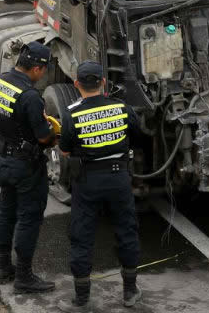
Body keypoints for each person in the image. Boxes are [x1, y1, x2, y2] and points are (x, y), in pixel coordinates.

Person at [57, 62, 140, 311]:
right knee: (126, 231)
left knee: (82, 236)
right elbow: (135, 135)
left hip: (88, 182)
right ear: (103, 82)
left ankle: (81, 298)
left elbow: (64, 150)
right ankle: (129, 292)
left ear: (77, 85)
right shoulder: (122, 108)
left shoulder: (72, 114)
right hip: (119, 179)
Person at [0, 41, 59, 294]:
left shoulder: (0, 82)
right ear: (38, 69)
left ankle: (4, 267)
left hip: (4, 161)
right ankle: (25, 276)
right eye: (45, 69)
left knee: (6, 213)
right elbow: (43, 137)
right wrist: (55, 134)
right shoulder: (30, 97)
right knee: (29, 219)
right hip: (26, 167)